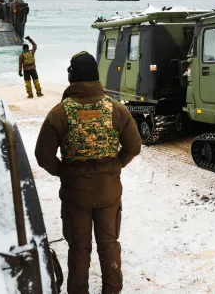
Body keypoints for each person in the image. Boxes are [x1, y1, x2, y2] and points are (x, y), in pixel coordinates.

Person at [35, 51, 142, 294]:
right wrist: (114, 167)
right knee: (109, 245)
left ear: (72, 77)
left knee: (79, 248)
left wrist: (64, 171)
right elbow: (134, 147)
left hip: (75, 195)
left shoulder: (60, 113)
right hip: (109, 192)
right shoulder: (116, 109)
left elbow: (43, 156)